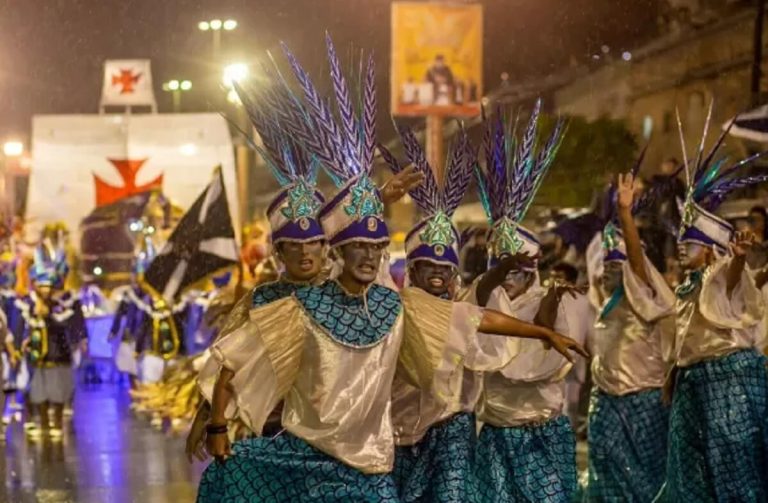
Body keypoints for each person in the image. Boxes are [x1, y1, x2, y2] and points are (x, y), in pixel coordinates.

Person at [197, 37, 585, 503]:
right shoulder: (299, 306)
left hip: (375, 465)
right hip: (310, 457)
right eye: (357, 246)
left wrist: (541, 333)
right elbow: (231, 364)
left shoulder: (392, 305)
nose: (368, 255)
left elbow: (471, 317)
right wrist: (217, 424)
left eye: (377, 247)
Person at [466, 103, 588, 503]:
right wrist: (500, 270)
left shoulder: (553, 297)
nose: (514, 278)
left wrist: (551, 298)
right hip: (496, 435)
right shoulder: (484, 298)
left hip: (541, 434)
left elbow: (541, 353)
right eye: (506, 269)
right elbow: (481, 309)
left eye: (520, 270)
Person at [658, 111, 768, 501]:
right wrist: (674, 373)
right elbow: (685, 337)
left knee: (733, 470)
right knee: (691, 472)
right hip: (693, 384)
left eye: (691, 242)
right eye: (682, 240)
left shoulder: (720, 272)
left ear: (713, 248)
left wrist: (738, 258)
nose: (681, 247)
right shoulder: (685, 284)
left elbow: (733, 280)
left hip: (728, 381)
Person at [584, 172, 675, 501]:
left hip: (643, 404)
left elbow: (637, 263)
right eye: (605, 267)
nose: (607, 272)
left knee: (645, 482)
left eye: (615, 267)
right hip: (606, 402)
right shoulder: (606, 300)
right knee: (605, 476)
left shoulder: (642, 293)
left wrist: (625, 214)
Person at [18, 243, 83, 439]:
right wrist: (24, 341)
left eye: (48, 286)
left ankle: (56, 423)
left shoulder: (62, 305)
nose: (44, 290)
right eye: (41, 286)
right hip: (37, 357)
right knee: (38, 391)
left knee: (58, 390)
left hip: (58, 354)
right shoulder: (28, 305)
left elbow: (67, 326)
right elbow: (23, 326)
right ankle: (43, 422)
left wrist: (49, 316)